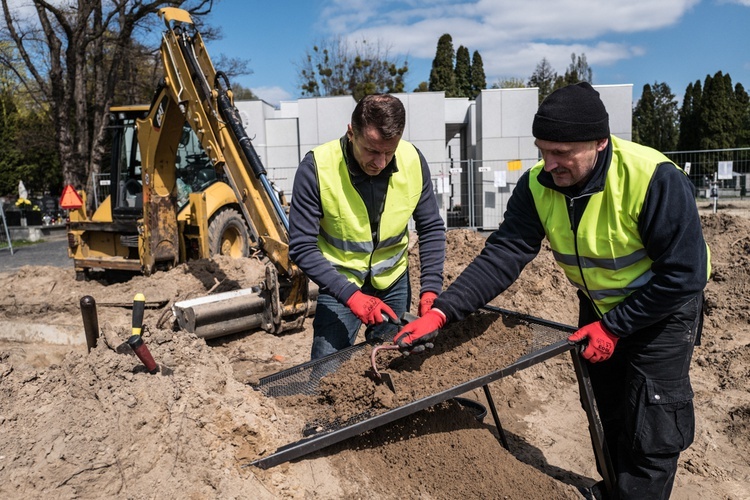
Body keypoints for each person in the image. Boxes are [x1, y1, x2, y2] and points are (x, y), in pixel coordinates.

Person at [394, 82, 710, 500]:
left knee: (651, 423)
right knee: (607, 410)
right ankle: (617, 488)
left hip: (662, 311)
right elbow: (503, 255)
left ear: (600, 142)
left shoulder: (653, 179)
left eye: (562, 153)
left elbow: (685, 274)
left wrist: (616, 328)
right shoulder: (537, 186)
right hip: (598, 307)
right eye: (543, 150)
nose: (550, 163)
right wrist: (441, 313)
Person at [289, 93, 446, 360]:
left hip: (394, 280)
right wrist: (351, 296)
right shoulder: (316, 167)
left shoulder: (413, 160)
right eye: (372, 151)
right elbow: (302, 247)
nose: (381, 162)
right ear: (351, 133)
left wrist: (430, 290)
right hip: (340, 283)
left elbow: (430, 227)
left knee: (391, 361)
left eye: (389, 152)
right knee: (327, 374)